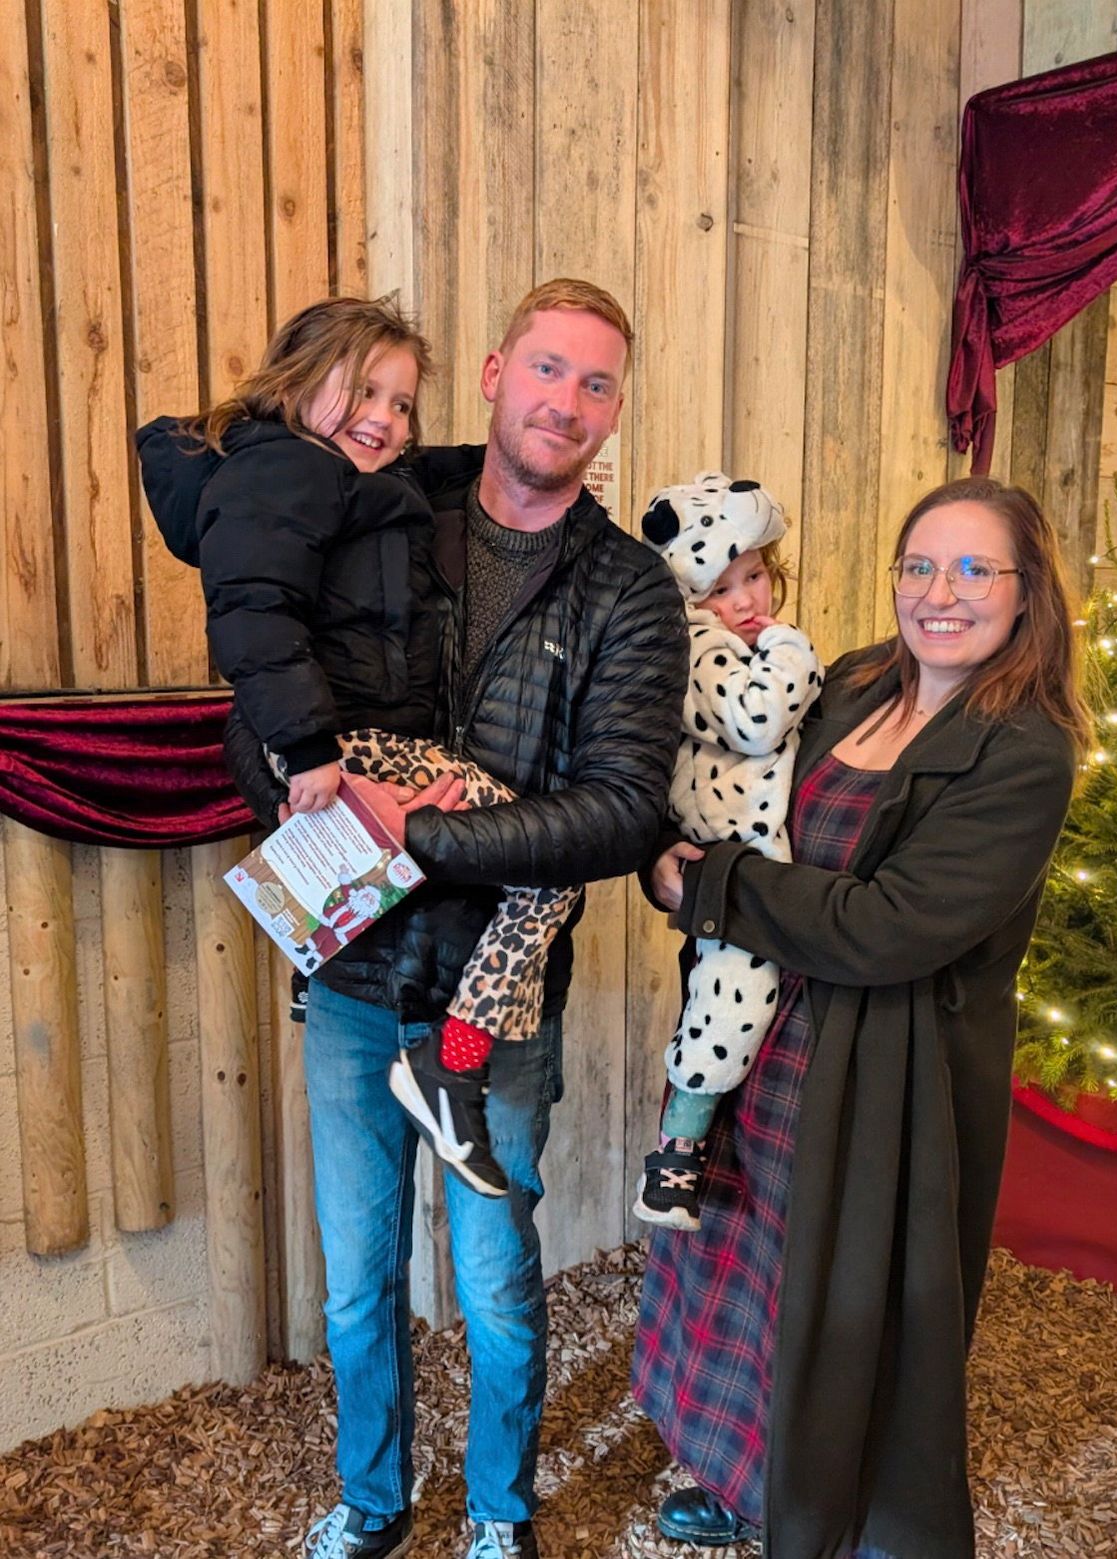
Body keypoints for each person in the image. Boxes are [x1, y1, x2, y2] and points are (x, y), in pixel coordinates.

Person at [220, 279, 688, 1559]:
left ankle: (498, 1512)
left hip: (498, 1008)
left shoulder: (629, 588)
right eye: (547, 367)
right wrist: (307, 780)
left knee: (494, 1284)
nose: (566, 401)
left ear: (614, 411)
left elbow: (619, 812)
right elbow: (258, 704)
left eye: (596, 382)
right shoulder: (373, 503)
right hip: (355, 980)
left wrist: (413, 831)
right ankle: (373, 1500)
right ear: (492, 373)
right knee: (357, 1283)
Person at [633, 476, 1090, 1559]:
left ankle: (827, 1509)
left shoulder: (1025, 750)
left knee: (834, 1302)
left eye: (975, 569)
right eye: (920, 565)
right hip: (764, 1029)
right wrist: (663, 850)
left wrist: (710, 884)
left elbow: (890, 925)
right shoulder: (850, 680)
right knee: (735, 1267)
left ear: (1027, 591)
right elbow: (739, 787)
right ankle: (741, 1476)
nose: (941, 592)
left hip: (881, 1068)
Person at [137, 294, 585, 1199]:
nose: (385, 418)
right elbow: (254, 616)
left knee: (527, 870)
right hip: (337, 740)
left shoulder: (340, 474)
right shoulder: (283, 473)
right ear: (297, 382)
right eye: (363, 391)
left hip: (346, 737)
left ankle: (429, 1047)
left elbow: (427, 469)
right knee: (549, 866)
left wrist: (533, 468)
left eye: (402, 401)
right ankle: (451, 1067)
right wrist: (308, 749)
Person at [631, 472, 823, 1229]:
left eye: (756, 576)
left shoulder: (733, 644)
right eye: (720, 588)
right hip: (728, 863)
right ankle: (674, 1158)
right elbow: (757, 719)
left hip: (749, 860)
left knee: (731, 996)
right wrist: (790, 646)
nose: (746, 600)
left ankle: (686, 1152)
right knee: (731, 1000)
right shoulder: (699, 647)